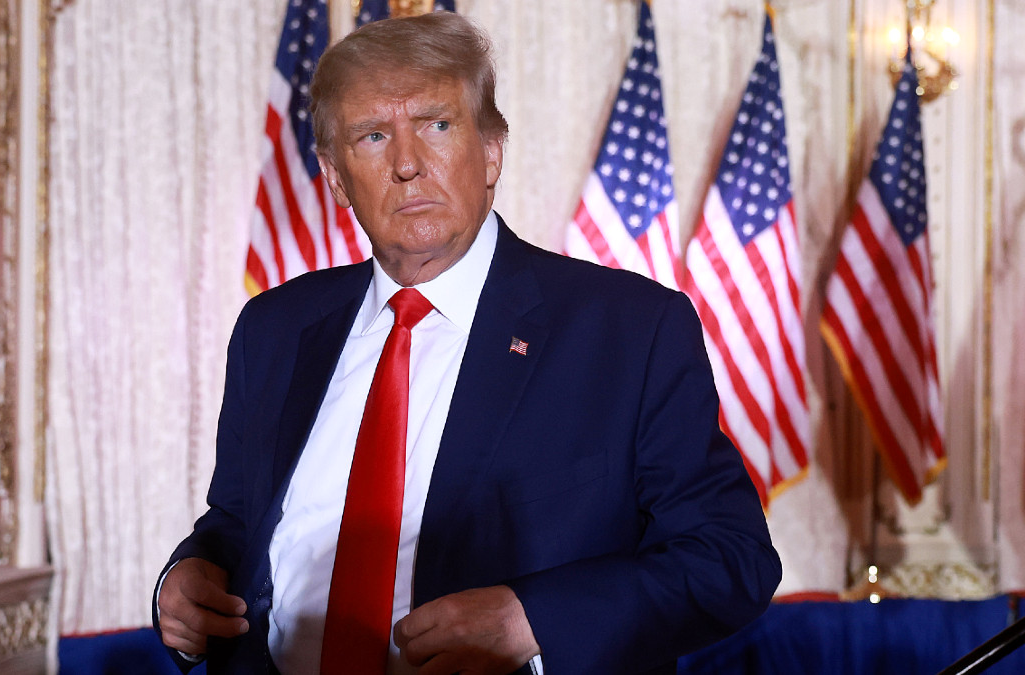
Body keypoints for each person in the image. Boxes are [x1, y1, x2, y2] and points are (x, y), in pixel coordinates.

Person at [155, 11, 780, 675]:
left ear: (491, 152)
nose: (407, 164)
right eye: (372, 136)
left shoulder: (629, 330)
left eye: (438, 124)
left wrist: (532, 620)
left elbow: (729, 557)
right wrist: (186, 577)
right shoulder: (273, 329)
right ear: (336, 177)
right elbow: (235, 522)